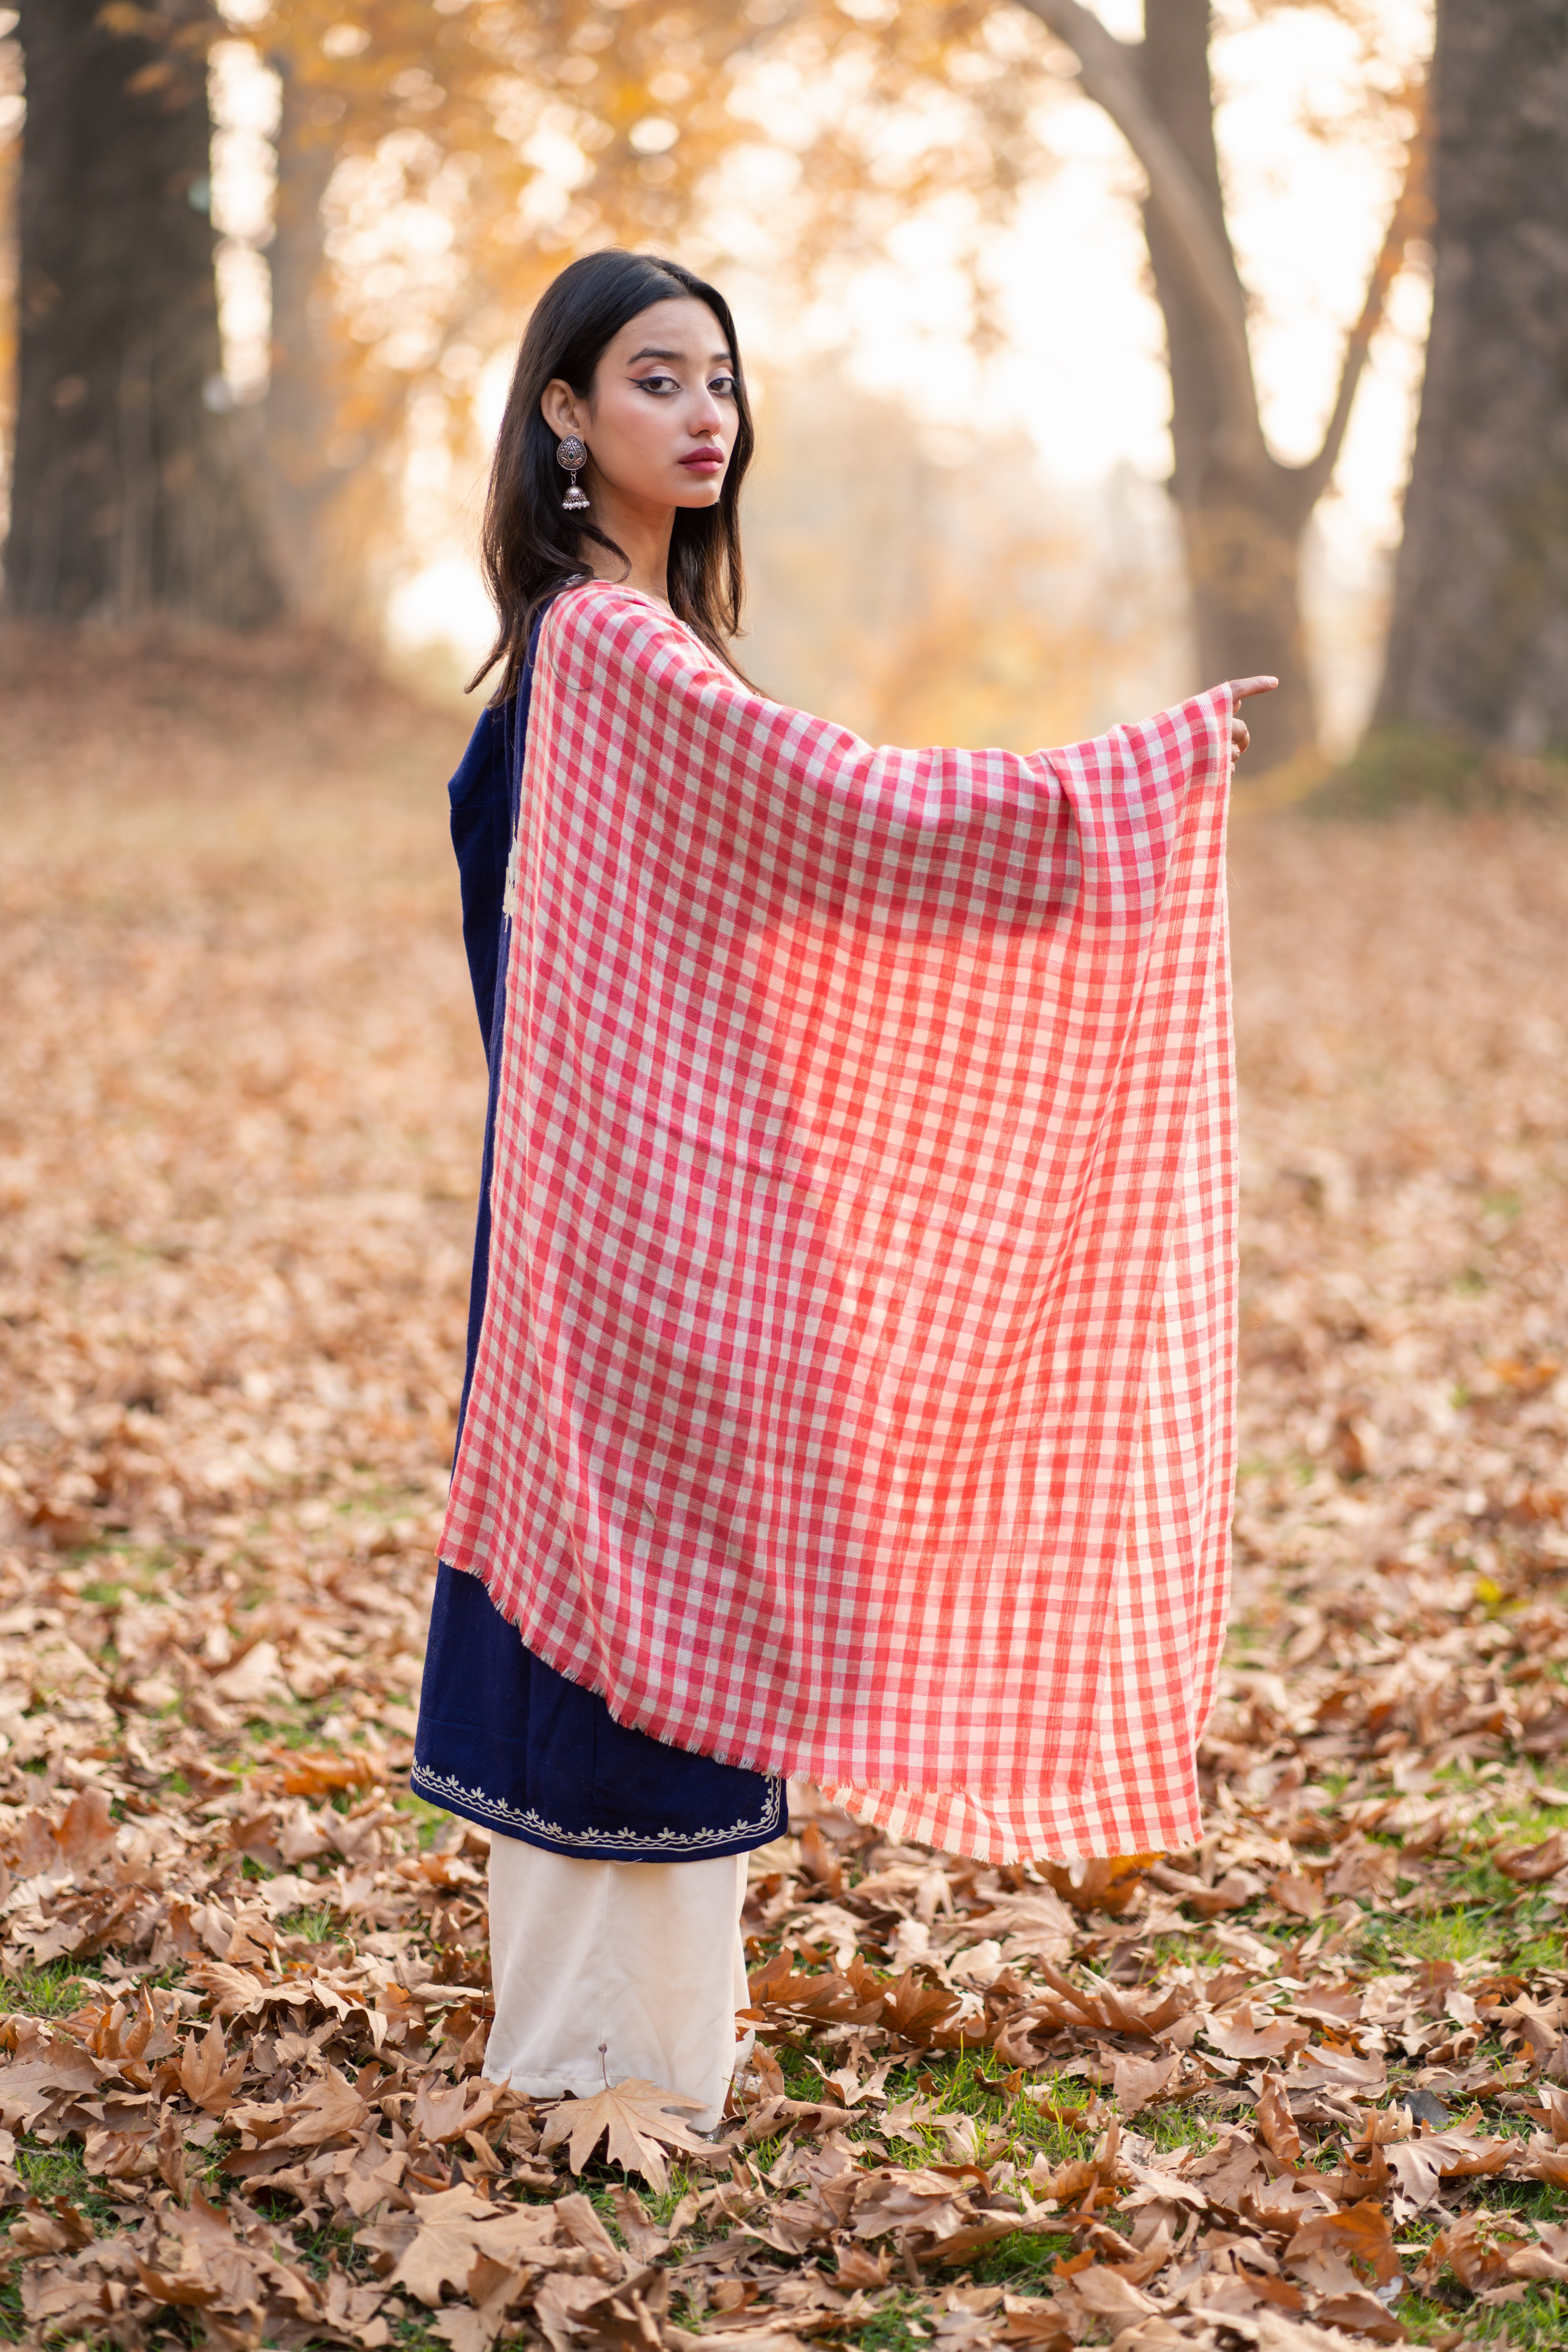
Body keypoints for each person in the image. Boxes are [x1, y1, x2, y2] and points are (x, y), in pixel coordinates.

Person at [413, 248, 1276, 2129]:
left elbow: (825, 886)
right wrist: (1128, 786)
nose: (704, 412)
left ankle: (631, 2068)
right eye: (654, 379)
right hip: (631, 1224)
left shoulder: (631, 647)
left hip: (649, 1208)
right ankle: (598, 2079)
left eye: (719, 379)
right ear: (564, 412)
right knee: (629, 1623)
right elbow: (864, 813)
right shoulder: (613, 649)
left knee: (657, 1617)